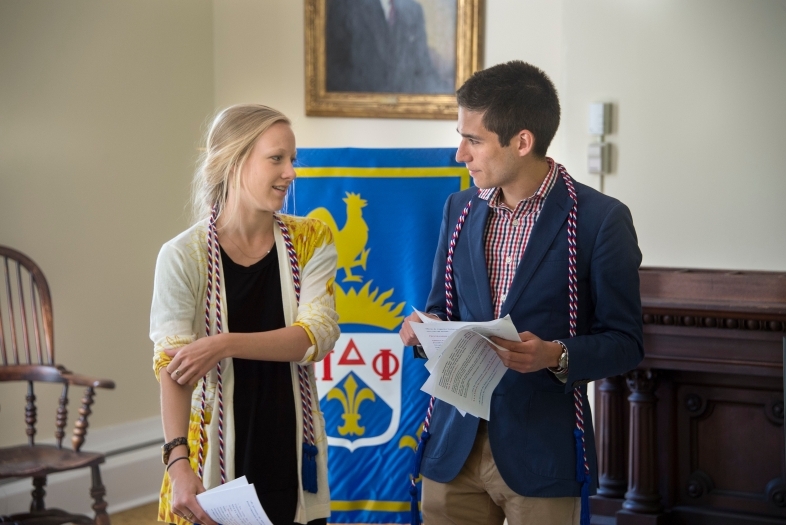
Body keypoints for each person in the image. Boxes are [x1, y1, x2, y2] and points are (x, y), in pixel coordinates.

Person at [399, 61, 644, 525]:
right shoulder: (459, 209)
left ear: (522, 141)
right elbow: (440, 308)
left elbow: (626, 343)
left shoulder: (600, 220)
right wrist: (422, 331)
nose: (459, 154)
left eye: (473, 140)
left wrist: (556, 355)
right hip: (453, 452)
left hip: (543, 455)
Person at [150, 104, 340, 525]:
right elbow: (174, 367)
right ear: (233, 161)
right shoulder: (183, 256)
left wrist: (223, 344)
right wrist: (178, 464)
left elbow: (315, 337)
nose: (291, 172)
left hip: (290, 446)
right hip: (208, 455)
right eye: (277, 159)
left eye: (293, 159)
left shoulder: (312, 239)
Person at [325, 0, 451, 93]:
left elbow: (423, 68)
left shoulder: (413, 10)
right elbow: (333, 70)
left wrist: (450, 96)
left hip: (405, 116)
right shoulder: (346, 5)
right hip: (360, 114)